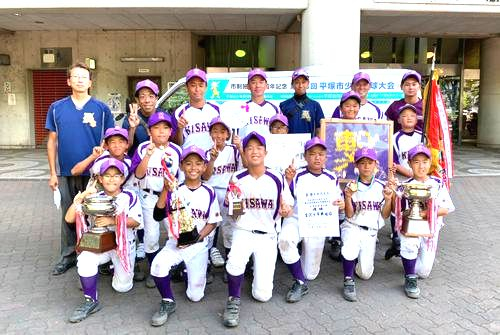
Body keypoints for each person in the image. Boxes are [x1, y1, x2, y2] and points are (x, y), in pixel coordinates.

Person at [46, 61, 115, 276]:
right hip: (66, 173)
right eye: (75, 76)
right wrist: (52, 173)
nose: (79, 80)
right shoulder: (57, 107)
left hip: (95, 175)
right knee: (71, 213)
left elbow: (110, 140)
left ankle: (99, 254)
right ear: (68, 81)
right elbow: (52, 141)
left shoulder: (101, 109)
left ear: (90, 82)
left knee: (97, 214)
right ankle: (68, 256)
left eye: (83, 77)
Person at [222, 131, 294, 328]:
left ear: (265, 152)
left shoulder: (277, 177)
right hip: (243, 231)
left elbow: (288, 207)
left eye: (258, 147)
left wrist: (286, 210)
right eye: (250, 148)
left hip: (267, 236)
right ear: (244, 153)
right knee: (234, 262)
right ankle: (233, 300)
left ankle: (256, 274)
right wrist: (233, 206)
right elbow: (234, 215)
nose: (254, 151)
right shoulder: (237, 178)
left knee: (262, 295)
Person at [149, 145, 221, 327]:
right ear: (181, 166)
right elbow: (157, 216)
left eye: (198, 163)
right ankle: (167, 301)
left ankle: (187, 270)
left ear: (205, 167)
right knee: (157, 266)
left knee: (195, 296)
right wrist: (165, 190)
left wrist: (196, 238)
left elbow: (212, 222)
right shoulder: (174, 189)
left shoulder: (209, 192)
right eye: (188, 163)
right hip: (175, 243)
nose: (193, 168)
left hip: (197, 245)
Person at [66, 158, 143, 322]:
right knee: (84, 259)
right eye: (107, 175)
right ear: (100, 178)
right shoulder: (94, 196)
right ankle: (91, 300)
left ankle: (117, 268)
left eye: (116, 175)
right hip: (100, 244)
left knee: (122, 287)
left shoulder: (130, 196)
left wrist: (111, 221)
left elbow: (136, 221)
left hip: (122, 246)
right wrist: (83, 195)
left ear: (122, 178)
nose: (111, 179)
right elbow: (69, 218)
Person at [278, 137, 344, 303]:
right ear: (305, 156)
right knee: (285, 241)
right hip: (297, 219)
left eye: (321, 154)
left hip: (317, 224)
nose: (317, 157)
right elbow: (286, 199)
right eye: (312, 154)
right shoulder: (296, 174)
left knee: (311, 274)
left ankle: (299, 262)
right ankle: (300, 281)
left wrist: (341, 203)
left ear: (326, 157)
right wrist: (287, 181)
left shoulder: (331, 177)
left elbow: (338, 201)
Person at [397, 144, 455, 299]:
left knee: (423, 272)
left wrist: (422, 213)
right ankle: (409, 274)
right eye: (416, 162)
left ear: (430, 163)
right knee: (409, 245)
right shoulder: (404, 185)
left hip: (431, 229)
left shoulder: (437, 183)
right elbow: (397, 211)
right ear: (409, 164)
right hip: (411, 229)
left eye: (424, 161)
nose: (421, 166)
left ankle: (404, 254)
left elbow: (446, 209)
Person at [131, 112, 182, 288]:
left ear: (171, 131)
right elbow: (138, 174)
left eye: (165, 128)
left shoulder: (176, 151)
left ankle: (173, 264)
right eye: (156, 128)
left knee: (175, 232)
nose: (161, 131)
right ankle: (154, 268)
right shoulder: (143, 147)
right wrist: (147, 155)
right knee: (151, 236)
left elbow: (181, 178)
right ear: (150, 131)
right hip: (149, 196)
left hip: (170, 196)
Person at [340, 148, 393, 302]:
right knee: (349, 249)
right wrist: (348, 197)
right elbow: (349, 214)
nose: (366, 166)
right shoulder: (351, 185)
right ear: (357, 165)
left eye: (370, 162)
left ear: (375, 164)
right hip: (352, 226)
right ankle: (348, 279)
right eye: (362, 163)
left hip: (370, 232)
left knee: (365, 274)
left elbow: (384, 215)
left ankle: (353, 261)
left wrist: (389, 199)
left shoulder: (381, 186)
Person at [202, 117, 245, 272]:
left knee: (233, 227)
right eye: (215, 131)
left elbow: (246, 166)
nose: (218, 135)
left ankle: (231, 263)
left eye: (222, 132)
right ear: (210, 134)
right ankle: (206, 262)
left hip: (233, 192)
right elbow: (205, 177)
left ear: (228, 134)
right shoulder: (207, 153)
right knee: (210, 227)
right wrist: (212, 160)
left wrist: (240, 148)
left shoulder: (234, 149)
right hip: (213, 192)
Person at [385, 104, 422, 260]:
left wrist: (418, 175)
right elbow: (394, 164)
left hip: (420, 181)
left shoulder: (422, 136)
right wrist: (411, 173)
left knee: (417, 209)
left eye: (412, 116)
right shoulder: (393, 138)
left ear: (417, 119)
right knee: (397, 208)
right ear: (399, 119)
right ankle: (396, 237)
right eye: (405, 116)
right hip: (402, 179)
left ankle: (415, 237)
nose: (408, 118)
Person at [328, 90, 362, 261]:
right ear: (341, 108)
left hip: (355, 174)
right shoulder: (332, 125)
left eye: (355, 106)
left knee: (351, 204)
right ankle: (335, 239)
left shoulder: (365, 128)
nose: (351, 108)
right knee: (337, 204)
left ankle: (350, 238)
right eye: (347, 105)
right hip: (337, 170)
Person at [122, 79, 175, 157]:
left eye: (151, 96)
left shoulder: (165, 116)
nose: (147, 100)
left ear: (156, 98)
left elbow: (174, 142)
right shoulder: (130, 118)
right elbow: (125, 149)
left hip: (161, 163)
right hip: (137, 162)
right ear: (137, 99)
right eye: (142, 97)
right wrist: (132, 128)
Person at [174, 68, 220, 151]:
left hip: (212, 159)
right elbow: (177, 144)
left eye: (201, 85)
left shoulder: (217, 109)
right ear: (187, 88)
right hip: (190, 160)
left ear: (206, 87)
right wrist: (180, 129)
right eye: (193, 85)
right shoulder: (179, 112)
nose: (197, 89)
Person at [236, 69, 279, 140]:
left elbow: (280, 133)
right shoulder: (241, 108)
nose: (258, 85)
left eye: (261, 82)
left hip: (268, 149)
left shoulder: (274, 108)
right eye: (253, 82)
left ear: (266, 86)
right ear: (248, 86)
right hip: (247, 149)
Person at [279, 68, 324, 137]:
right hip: (289, 145)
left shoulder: (315, 105)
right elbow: (280, 129)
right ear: (292, 84)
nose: (300, 85)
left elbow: (319, 129)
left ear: (308, 84)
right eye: (297, 82)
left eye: (303, 82)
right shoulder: (283, 105)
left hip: (309, 146)